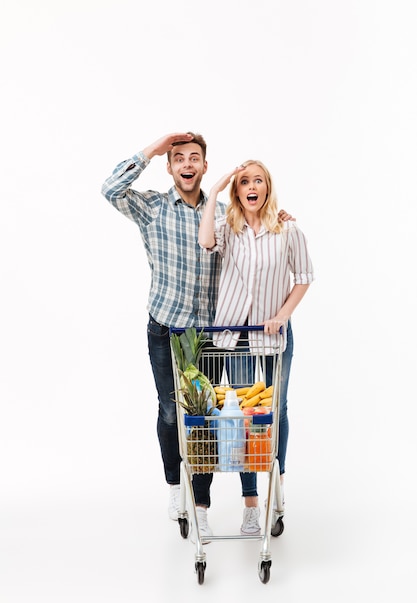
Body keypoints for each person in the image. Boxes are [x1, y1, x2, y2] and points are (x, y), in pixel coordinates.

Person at [101, 134, 293, 539]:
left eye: (195, 158)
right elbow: (110, 189)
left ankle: (202, 507)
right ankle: (176, 486)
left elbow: (257, 233)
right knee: (171, 413)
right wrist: (153, 149)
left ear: (205, 167)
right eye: (178, 159)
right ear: (170, 168)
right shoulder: (152, 207)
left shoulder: (223, 213)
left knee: (203, 418)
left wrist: (280, 222)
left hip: (210, 334)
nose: (187, 164)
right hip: (167, 328)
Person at [199, 160, 314, 535]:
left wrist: (281, 315)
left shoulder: (288, 229)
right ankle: (251, 505)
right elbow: (205, 242)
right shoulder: (227, 227)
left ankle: (276, 491)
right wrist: (215, 191)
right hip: (235, 336)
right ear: (237, 190)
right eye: (244, 181)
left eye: (258, 181)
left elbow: (304, 277)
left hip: (273, 334)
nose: (251, 186)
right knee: (247, 418)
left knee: (274, 410)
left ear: (267, 187)